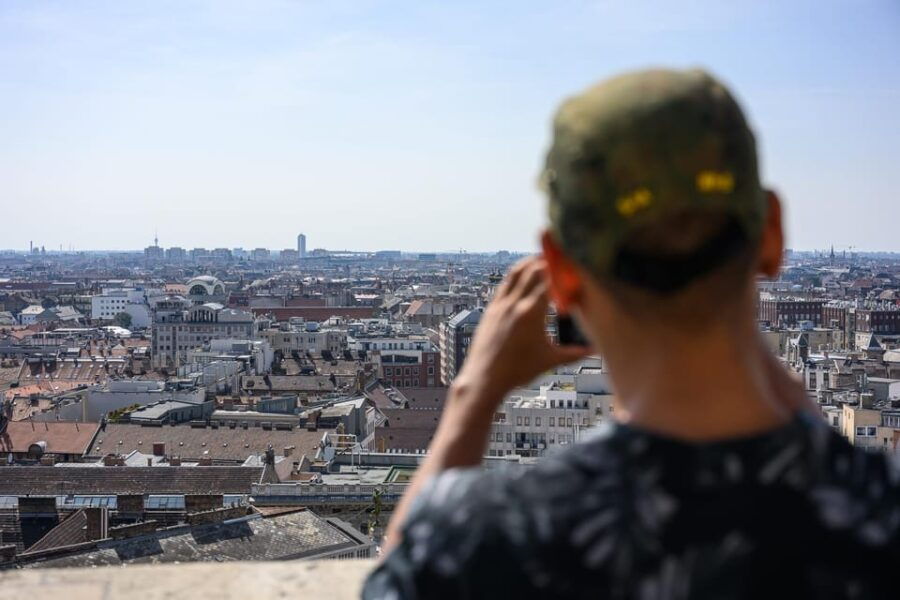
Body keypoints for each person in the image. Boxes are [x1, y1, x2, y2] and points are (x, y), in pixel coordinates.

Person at [363, 69, 900, 599]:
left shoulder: (491, 537)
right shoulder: (877, 512)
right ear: (773, 234)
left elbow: (403, 576)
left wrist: (472, 396)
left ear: (563, 273)